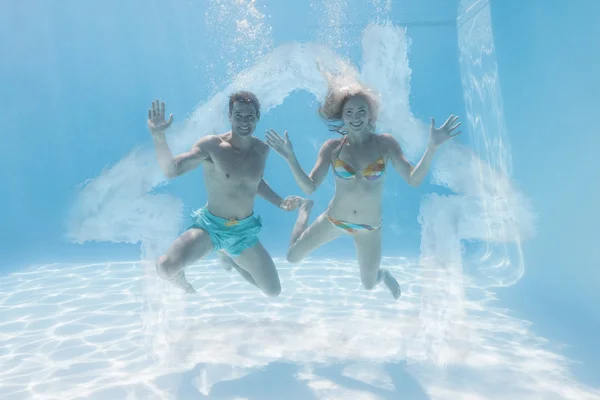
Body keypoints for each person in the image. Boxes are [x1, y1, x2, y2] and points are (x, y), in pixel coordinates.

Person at [265, 74, 461, 299]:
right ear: (342, 116)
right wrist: (290, 158)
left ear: (370, 115)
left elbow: (413, 179)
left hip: (369, 229)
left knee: (369, 284)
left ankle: (383, 274)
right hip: (334, 220)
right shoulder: (333, 148)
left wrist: (432, 147)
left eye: (361, 112)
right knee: (292, 256)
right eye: (349, 112)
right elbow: (309, 187)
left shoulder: (385, 144)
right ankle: (304, 209)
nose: (355, 117)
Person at [148, 91, 303, 295]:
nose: (244, 121)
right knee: (167, 268)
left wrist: (280, 202)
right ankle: (182, 279)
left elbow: (254, 181)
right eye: (238, 115)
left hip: (243, 233)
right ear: (229, 116)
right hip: (211, 228)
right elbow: (172, 169)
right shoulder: (213, 146)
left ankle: (230, 257)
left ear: (257, 117)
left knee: (273, 291)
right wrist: (159, 137)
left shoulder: (261, 150)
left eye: (249, 116)